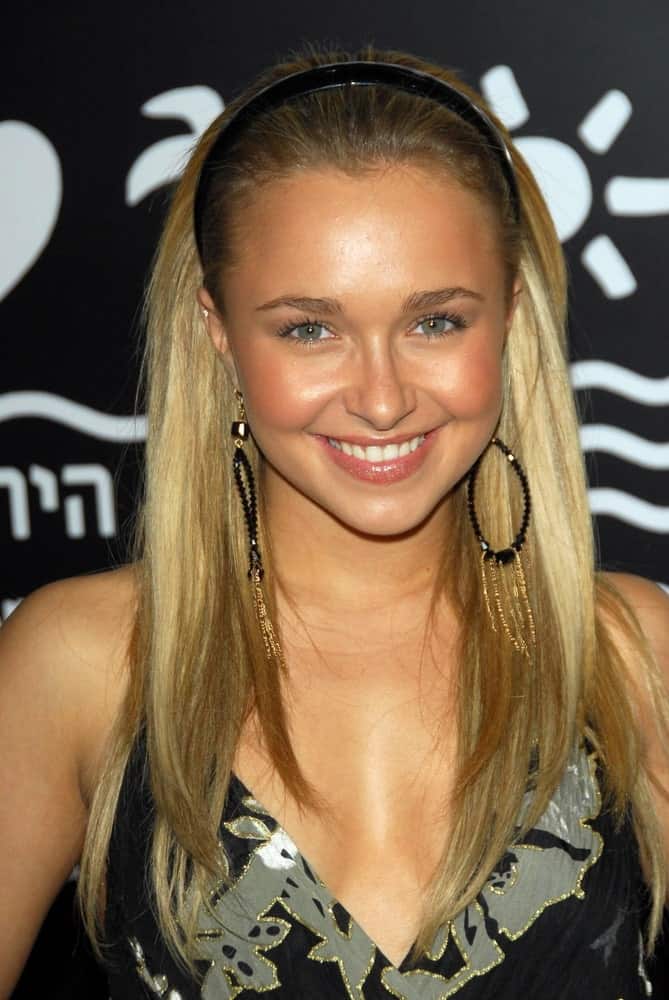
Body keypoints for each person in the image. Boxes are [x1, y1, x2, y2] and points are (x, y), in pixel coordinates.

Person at [1, 44, 668, 999]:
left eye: (435, 320)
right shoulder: (84, 664)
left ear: (511, 315)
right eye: (308, 327)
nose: (383, 397)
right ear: (217, 330)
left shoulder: (627, 658)